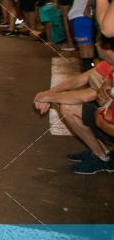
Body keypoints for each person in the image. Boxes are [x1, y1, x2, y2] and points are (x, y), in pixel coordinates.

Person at [34, 35, 114, 174]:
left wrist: (47, 97)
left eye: (99, 42)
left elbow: (87, 95)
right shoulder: (109, 64)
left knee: (68, 106)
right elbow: (80, 80)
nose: (95, 44)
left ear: (108, 50)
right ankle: (102, 152)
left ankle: (103, 158)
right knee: (65, 102)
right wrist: (48, 93)